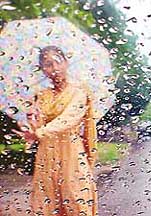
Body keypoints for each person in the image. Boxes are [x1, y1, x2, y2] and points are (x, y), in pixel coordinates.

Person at [12, 46, 99, 215]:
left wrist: (39, 132)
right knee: (47, 203)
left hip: (72, 153)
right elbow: (37, 129)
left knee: (77, 201)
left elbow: (70, 118)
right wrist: (32, 122)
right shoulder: (41, 95)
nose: (54, 69)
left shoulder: (79, 92)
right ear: (43, 69)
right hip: (47, 155)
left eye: (57, 62)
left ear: (66, 62)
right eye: (47, 65)